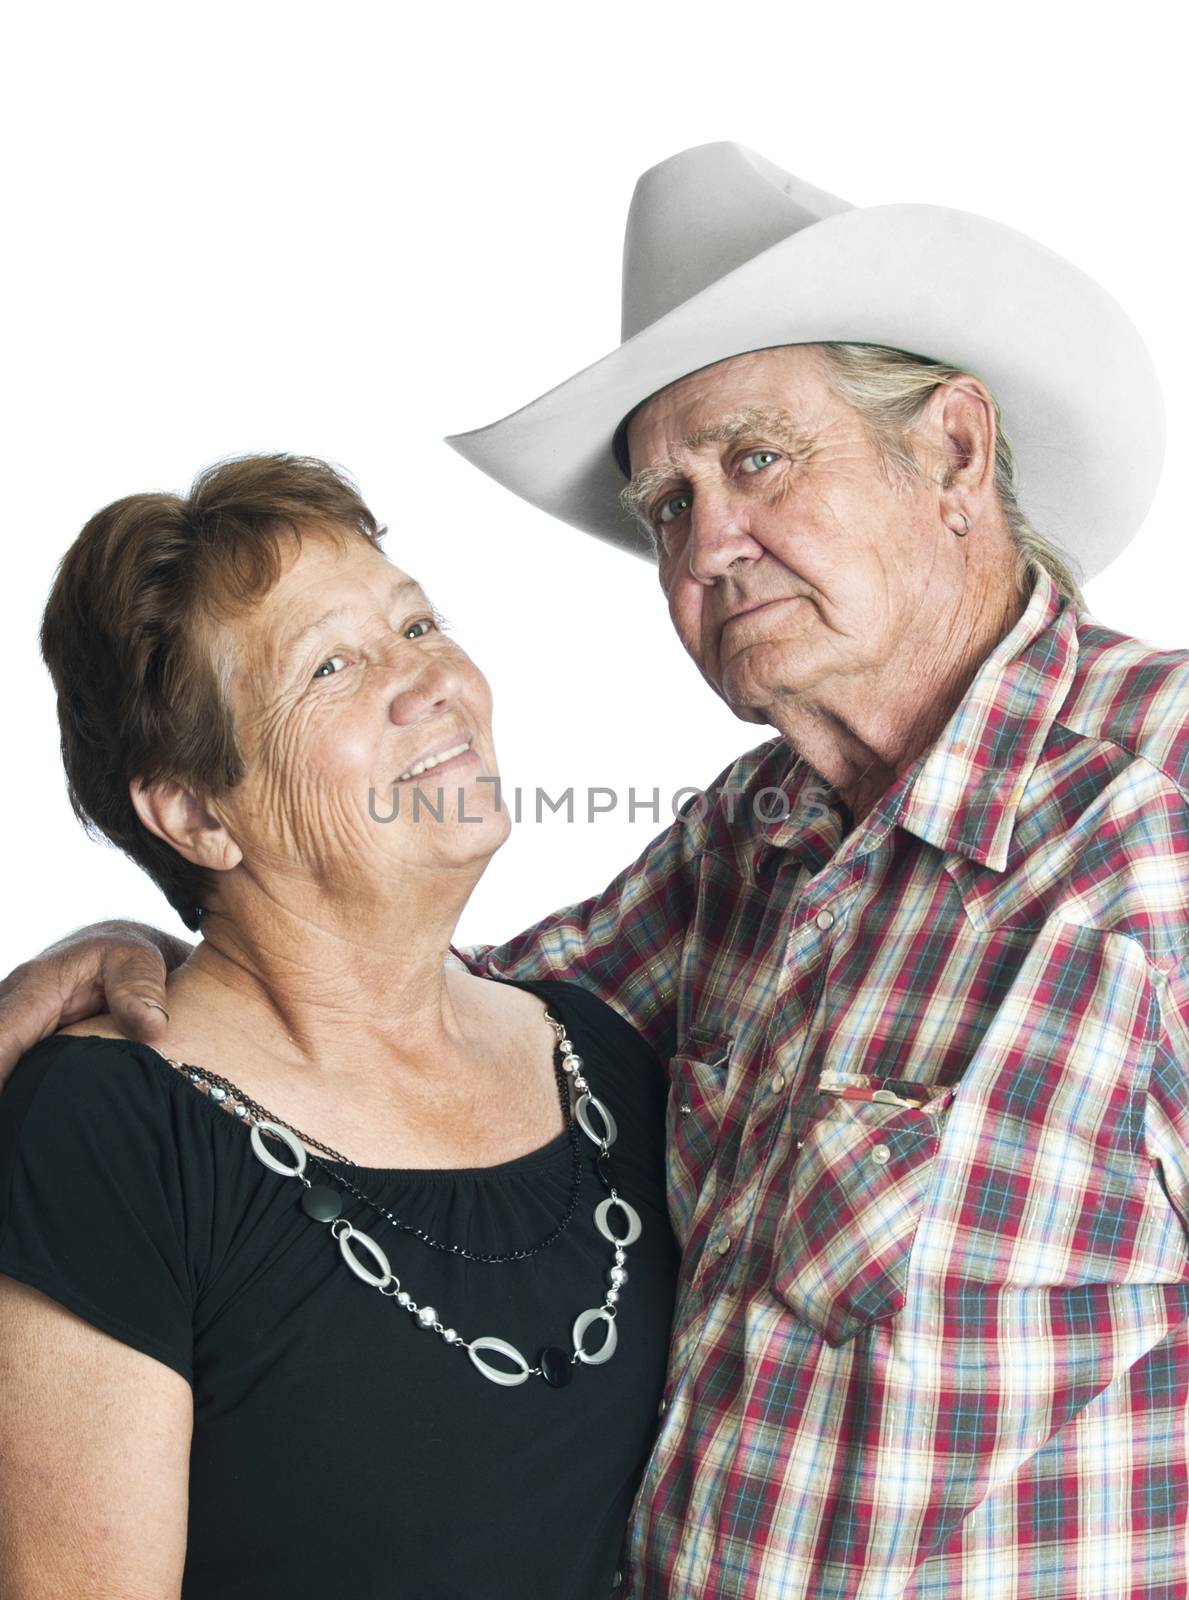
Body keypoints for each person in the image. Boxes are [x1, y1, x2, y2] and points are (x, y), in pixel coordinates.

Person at [2, 140, 1186, 1598]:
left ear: (949, 451)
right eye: (666, 506)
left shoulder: (1163, 822)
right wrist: (138, 948)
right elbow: (381, 1018)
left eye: (754, 459)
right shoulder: (742, 853)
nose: (708, 546)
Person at [0, 454, 678, 1600]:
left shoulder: (598, 1052)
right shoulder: (112, 1130)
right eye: (331, 665)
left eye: (417, 624)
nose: (430, 683)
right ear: (197, 811)